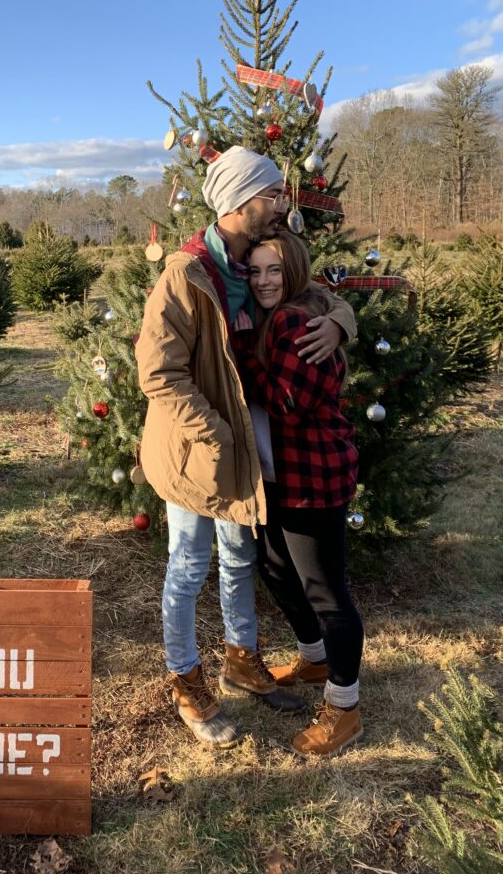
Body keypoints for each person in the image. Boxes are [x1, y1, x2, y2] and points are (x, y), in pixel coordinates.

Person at [135, 146, 357, 748]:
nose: (280, 202)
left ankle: (242, 662)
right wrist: (215, 431)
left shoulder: (261, 259)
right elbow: (158, 373)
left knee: (239, 560)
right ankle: (186, 681)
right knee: (188, 566)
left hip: (245, 452)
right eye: (269, 195)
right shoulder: (187, 273)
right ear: (237, 203)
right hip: (197, 449)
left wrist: (340, 320)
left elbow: (311, 289)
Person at [244, 231, 364, 757]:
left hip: (312, 477)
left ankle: (344, 706)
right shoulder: (286, 314)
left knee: (326, 592)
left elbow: (288, 399)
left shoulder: (295, 318)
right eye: (255, 271)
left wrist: (239, 366)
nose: (264, 281)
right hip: (281, 475)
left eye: (274, 270)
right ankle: (313, 658)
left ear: (293, 271)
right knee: (272, 565)